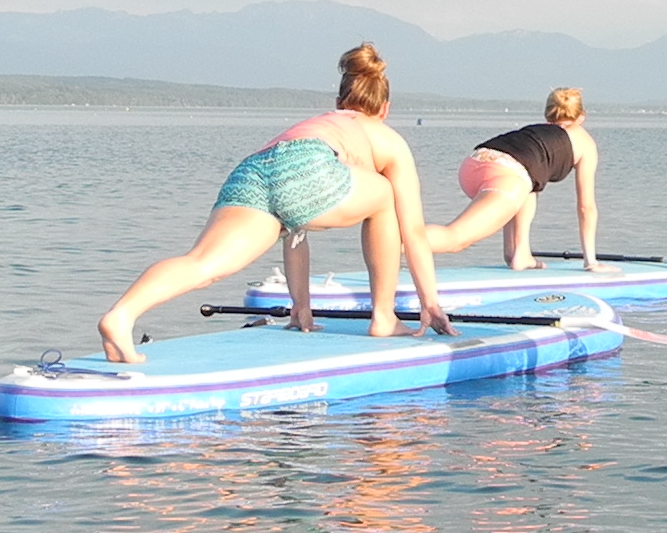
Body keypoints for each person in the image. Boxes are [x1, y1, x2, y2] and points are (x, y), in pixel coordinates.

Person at [95, 42, 453, 363]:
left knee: (203, 263)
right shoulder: (387, 138)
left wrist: (301, 305)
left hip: (254, 169)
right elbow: (414, 233)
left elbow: (295, 219)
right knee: (387, 196)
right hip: (310, 166)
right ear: (385, 109)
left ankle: (122, 315)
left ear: (338, 104)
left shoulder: (316, 124)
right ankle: (384, 317)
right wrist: (430, 303)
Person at [421, 87, 604, 271]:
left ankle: (518, 253)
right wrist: (591, 262)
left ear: (548, 115)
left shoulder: (536, 132)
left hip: (474, 163)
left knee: (531, 186)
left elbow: (526, 176)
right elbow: (585, 207)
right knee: (455, 238)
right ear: (582, 116)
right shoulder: (585, 142)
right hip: (507, 174)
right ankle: (396, 243)